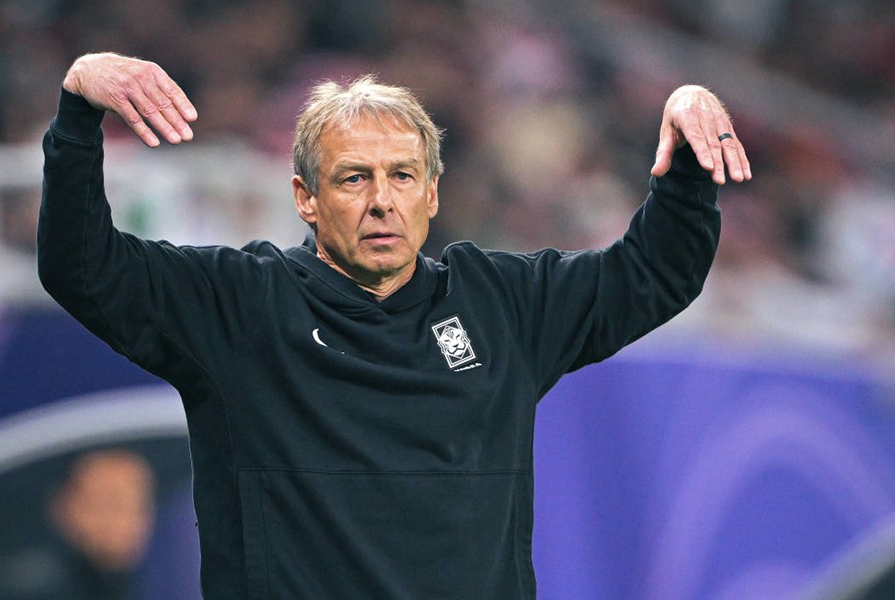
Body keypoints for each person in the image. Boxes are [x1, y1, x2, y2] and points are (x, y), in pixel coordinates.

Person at [38, 52, 750, 599]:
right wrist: (77, 112)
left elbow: (654, 273)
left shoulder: (503, 305)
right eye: (354, 178)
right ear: (306, 198)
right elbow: (81, 266)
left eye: (403, 176)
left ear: (432, 193)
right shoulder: (239, 304)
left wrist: (689, 152)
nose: (382, 201)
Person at [0, 449, 156, 600]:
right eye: (107, 504)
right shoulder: (33, 588)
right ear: (63, 508)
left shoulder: (130, 588)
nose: (124, 521)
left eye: (136, 505)